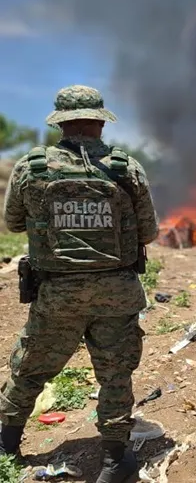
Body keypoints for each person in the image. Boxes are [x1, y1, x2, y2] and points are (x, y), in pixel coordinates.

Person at [0, 85, 159, 483]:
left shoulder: (31, 167)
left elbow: (14, 223)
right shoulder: (126, 168)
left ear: (61, 123)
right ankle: (114, 463)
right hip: (116, 294)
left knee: (30, 369)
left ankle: (6, 444)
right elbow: (149, 232)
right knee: (115, 376)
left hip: (57, 295)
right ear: (100, 122)